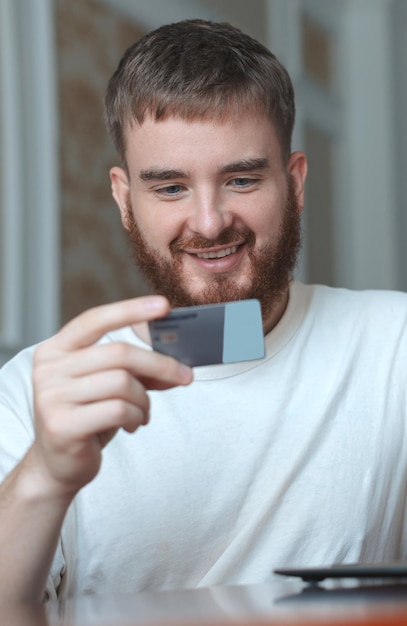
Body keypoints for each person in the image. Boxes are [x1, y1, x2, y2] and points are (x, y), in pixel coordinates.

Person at [1, 18, 407, 605]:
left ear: (294, 184)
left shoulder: (392, 345)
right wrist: (44, 475)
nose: (210, 221)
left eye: (241, 179)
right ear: (124, 199)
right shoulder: (34, 393)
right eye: (170, 188)